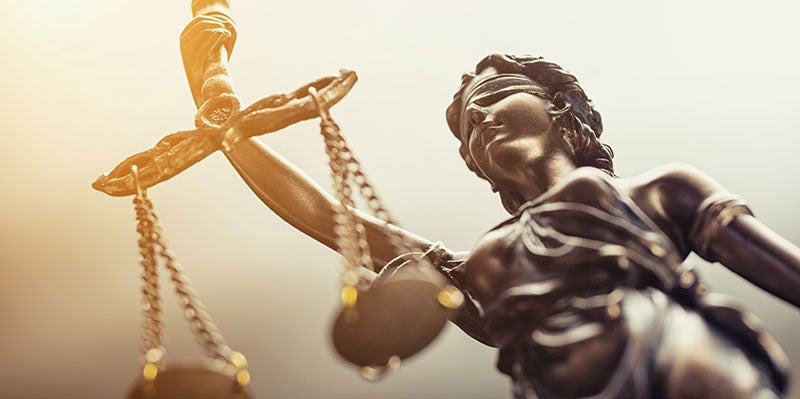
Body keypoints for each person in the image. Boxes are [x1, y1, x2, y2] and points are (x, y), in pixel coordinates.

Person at [223, 53, 800, 398]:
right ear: (475, 164)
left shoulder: (659, 191)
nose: (477, 115)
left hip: (682, 365)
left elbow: (783, 268)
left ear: (563, 112)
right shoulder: (479, 264)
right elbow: (332, 220)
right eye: (467, 128)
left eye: (496, 94)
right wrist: (229, 133)